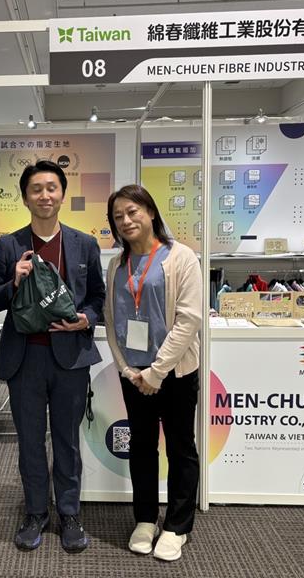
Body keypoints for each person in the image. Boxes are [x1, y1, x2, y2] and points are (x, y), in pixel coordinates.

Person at [0, 159, 105, 553]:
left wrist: (85, 319)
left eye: (52, 188)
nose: (45, 195)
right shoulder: (8, 245)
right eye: (36, 189)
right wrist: (14, 282)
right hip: (25, 360)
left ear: (62, 194)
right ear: (25, 197)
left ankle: (69, 512)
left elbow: (97, 298)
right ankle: (36, 511)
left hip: (70, 359)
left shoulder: (84, 244)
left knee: (67, 441)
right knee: (30, 442)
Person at [103, 185, 202, 562]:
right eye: (118, 217)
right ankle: (145, 519)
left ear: (150, 212)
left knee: (180, 448)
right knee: (142, 448)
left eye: (132, 212)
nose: (126, 221)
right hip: (134, 376)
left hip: (175, 373)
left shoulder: (181, 257)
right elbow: (111, 319)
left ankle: (177, 526)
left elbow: (189, 320)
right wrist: (127, 368)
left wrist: (156, 373)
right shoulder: (117, 264)